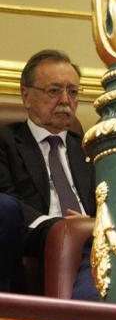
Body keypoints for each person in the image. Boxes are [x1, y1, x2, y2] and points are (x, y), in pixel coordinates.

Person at [0, 49, 94, 288]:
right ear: (26, 96)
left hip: (92, 234)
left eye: (73, 92)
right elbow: (7, 202)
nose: (65, 101)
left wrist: (93, 224)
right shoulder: (6, 142)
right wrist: (57, 226)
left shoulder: (90, 149)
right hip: (34, 233)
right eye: (54, 91)